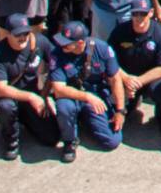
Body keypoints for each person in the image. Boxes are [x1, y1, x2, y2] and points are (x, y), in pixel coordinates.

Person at [0, 12, 64, 160]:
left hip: (33, 95)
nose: (22, 38)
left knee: (52, 138)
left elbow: (57, 66)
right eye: (17, 35)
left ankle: (26, 120)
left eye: (25, 33)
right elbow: (0, 88)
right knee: (6, 107)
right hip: (10, 97)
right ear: (8, 34)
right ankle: (11, 139)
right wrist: (31, 97)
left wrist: (45, 94)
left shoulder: (40, 42)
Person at [48, 19, 122, 154]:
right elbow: (59, 89)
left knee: (112, 141)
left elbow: (116, 79)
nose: (62, 46)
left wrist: (120, 111)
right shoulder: (57, 53)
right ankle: (70, 141)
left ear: (80, 43)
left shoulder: (102, 48)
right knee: (64, 107)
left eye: (67, 44)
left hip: (96, 96)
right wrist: (87, 97)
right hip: (71, 96)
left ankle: (85, 119)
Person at [109, 0, 161, 138]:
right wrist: (126, 79)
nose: (139, 18)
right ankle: (128, 107)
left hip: (150, 79)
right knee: (112, 99)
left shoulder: (160, 33)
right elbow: (109, 60)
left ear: (151, 13)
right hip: (126, 77)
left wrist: (137, 81)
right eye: (135, 14)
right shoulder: (120, 32)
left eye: (143, 14)